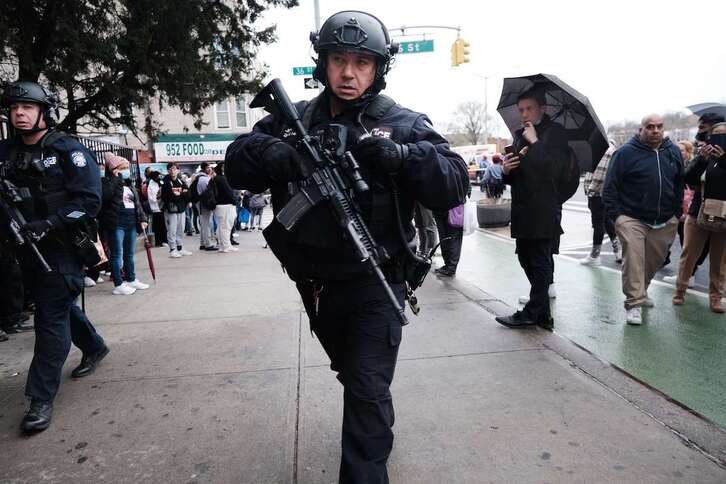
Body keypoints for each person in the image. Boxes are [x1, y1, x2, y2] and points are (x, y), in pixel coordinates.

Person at [224, 10, 468, 482]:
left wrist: (404, 157)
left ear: (378, 69)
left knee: (365, 386)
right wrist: (265, 153)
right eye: (338, 59)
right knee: (353, 373)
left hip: (378, 280)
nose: (349, 72)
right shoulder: (290, 120)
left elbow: (454, 181)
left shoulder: (403, 123)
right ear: (323, 64)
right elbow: (234, 166)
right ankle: (376, 422)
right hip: (316, 285)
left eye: (361, 62)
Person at [0, 81, 109, 431]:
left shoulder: (67, 150)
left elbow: (90, 202)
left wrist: (49, 223)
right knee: (58, 306)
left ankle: (40, 398)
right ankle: (94, 345)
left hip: (60, 249)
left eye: (28, 107)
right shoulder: (5, 152)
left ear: (45, 112)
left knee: (50, 322)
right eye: (15, 108)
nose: (19, 113)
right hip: (20, 249)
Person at [495, 90, 569, 331]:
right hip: (523, 207)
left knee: (539, 259)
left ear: (542, 109)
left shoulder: (555, 133)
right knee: (525, 256)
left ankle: (531, 313)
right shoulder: (519, 136)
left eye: (529, 108)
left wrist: (536, 141)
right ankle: (542, 314)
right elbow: (519, 174)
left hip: (544, 207)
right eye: (521, 110)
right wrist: (507, 170)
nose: (524, 114)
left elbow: (554, 169)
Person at [603, 114, 683, 325]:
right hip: (631, 217)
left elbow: (678, 183)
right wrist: (617, 216)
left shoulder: (673, 151)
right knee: (634, 259)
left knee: (654, 260)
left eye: (659, 126)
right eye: (650, 127)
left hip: (665, 219)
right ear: (641, 129)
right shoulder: (625, 153)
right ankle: (634, 303)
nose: (655, 130)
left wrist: (676, 212)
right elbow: (609, 187)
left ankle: (642, 291)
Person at [672, 122, 726, 312]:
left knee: (720, 261)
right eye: (716, 135)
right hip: (697, 213)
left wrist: (724, 160)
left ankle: (716, 297)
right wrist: (701, 159)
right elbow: (688, 178)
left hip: (723, 216)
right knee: (689, 256)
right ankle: (680, 290)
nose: (720, 138)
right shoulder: (703, 157)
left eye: (724, 135)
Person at [99, 153, 150, 295]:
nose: (127, 170)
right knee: (117, 254)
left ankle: (131, 278)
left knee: (129, 254)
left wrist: (143, 219)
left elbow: (137, 204)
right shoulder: (106, 182)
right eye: (124, 167)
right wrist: (115, 179)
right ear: (115, 168)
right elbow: (106, 197)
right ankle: (118, 283)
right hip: (116, 223)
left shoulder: (129, 185)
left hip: (131, 222)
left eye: (127, 167)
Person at [580, 140, 622, 266]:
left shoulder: (604, 149)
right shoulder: (607, 148)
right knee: (606, 221)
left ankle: (595, 255)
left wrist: (591, 191)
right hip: (604, 192)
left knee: (598, 224)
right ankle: (617, 249)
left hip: (598, 193)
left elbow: (599, 173)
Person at [161, 162, 193, 258]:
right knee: (172, 230)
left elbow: (188, 194)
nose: (172, 171)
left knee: (181, 229)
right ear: (167, 170)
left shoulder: (180, 181)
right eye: (170, 169)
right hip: (171, 209)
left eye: (174, 169)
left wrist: (181, 194)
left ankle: (180, 248)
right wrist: (181, 194)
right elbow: (168, 196)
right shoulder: (166, 182)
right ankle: (172, 249)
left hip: (181, 209)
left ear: (178, 170)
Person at [211, 162, 238, 253]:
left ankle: (223, 245)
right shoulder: (222, 179)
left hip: (219, 205)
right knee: (226, 227)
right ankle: (226, 246)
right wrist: (235, 201)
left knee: (221, 226)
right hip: (226, 205)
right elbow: (229, 192)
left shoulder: (216, 178)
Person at [196, 162, 218, 251]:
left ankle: (202, 243)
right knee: (206, 224)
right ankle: (208, 244)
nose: (210, 169)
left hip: (201, 203)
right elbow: (210, 193)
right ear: (205, 169)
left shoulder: (199, 178)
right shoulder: (204, 179)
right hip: (204, 203)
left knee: (204, 223)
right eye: (208, 167)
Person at [146, 170, 166, 247]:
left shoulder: (159, 183)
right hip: (155, 208)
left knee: (163, 225)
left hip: (162, 207)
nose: (158, 177)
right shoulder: (150, 185)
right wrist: (159, 197)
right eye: (157, 176)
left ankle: (164, 240)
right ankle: (159, 241)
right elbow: (152, 198)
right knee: (158, 226)